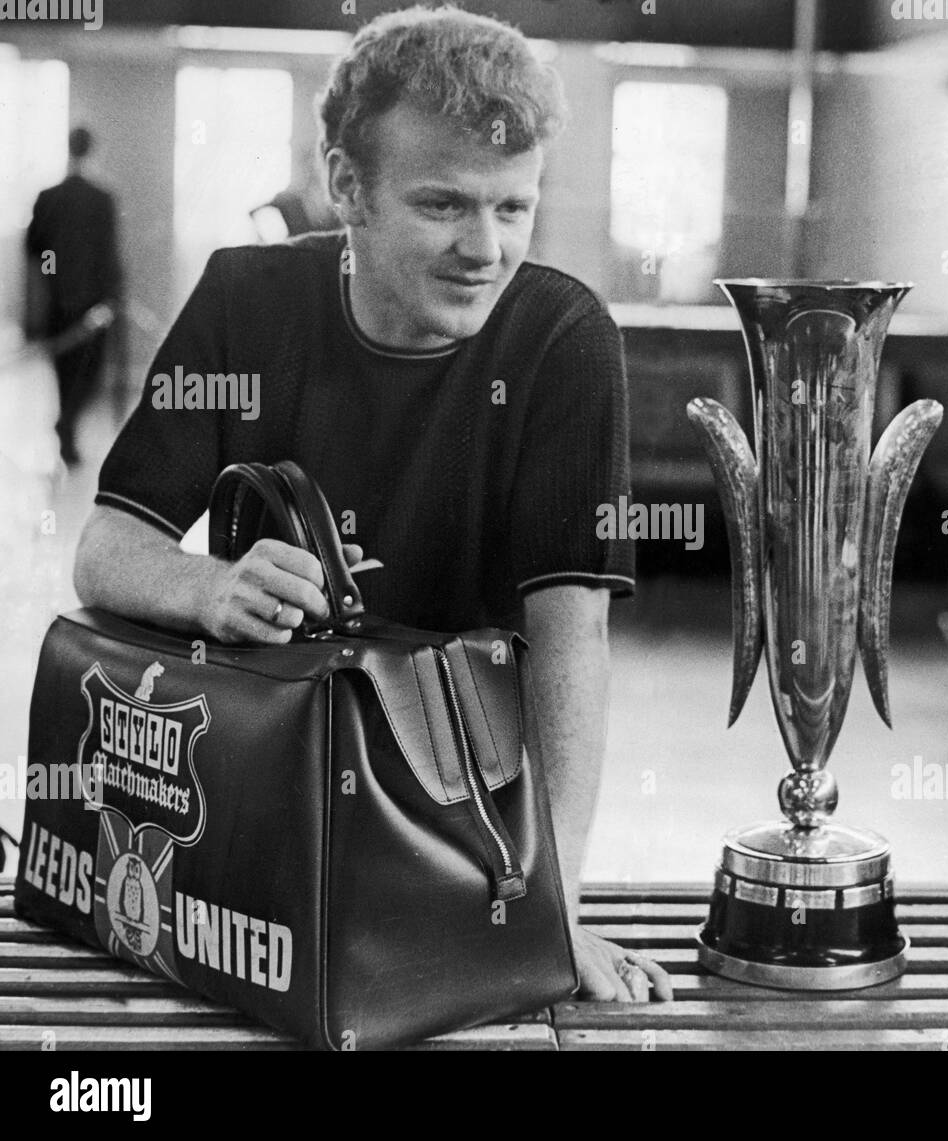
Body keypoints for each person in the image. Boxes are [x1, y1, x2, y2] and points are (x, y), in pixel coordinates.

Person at [72, 4, 671, 1004]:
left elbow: (571, 639)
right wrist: (210, 588)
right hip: (269, 803)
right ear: (346, 186)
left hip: (462, 822)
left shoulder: (561, 337)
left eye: (512, 208)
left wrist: (547, 911)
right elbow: (106, 548)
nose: (485, 247)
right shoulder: (245, 301)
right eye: (444, 205)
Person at [25, 125, 123, 465]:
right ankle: (67, 423)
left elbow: (39, 252)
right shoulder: (101, 198)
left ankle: (66, 422)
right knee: (87, 372)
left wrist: (54, 278)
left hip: (63, 297)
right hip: (90, 299)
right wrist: (108, 294)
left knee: (66, 372)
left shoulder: (49, 196)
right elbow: (106, 254)